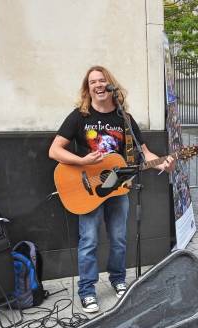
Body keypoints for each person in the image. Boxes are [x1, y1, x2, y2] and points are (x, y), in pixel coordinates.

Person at [49, 65, 174, 313]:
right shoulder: (79, 116)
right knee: (89, 241)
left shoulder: (124, 119)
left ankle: (118, 280)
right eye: (93, 82)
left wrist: (163, 160)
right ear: (88, 88)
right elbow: (54, 150)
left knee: (118, 239)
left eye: (102, 80)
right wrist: (82, 161)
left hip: (118, 188)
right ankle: (86, 290)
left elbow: (144, 152)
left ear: (110, 84)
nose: (98, 85)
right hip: (88, 189)